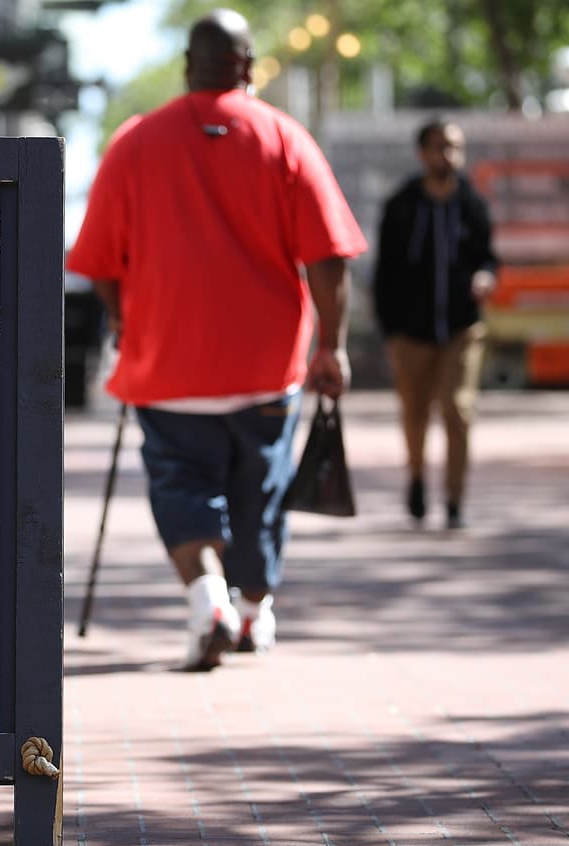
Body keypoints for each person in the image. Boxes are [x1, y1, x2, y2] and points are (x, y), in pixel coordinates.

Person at [65, 9, 367, 672]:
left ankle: (210, 603)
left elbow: (97, 263)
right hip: (266, 369)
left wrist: (123, 321)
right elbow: (330, 254)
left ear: (186, 68)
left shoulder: (136, 142)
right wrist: (332, 346)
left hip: (167, 366)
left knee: (182, 488)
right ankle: (254, 613)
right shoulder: (285, 138)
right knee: (261, 492)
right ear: (249, 68)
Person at [372, 119, 498, 530]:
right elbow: (385, 272)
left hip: (462, 328)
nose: (449, 155)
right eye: (441, 147)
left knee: (458, 411)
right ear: (422, 153)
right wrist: (390, 330)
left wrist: (485, 276)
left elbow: (488, 257)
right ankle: (415, 478)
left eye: (456, 147)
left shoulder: (472, 204)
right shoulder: (402, 205)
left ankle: (456, 500)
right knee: (415, 412)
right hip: (411, 332)